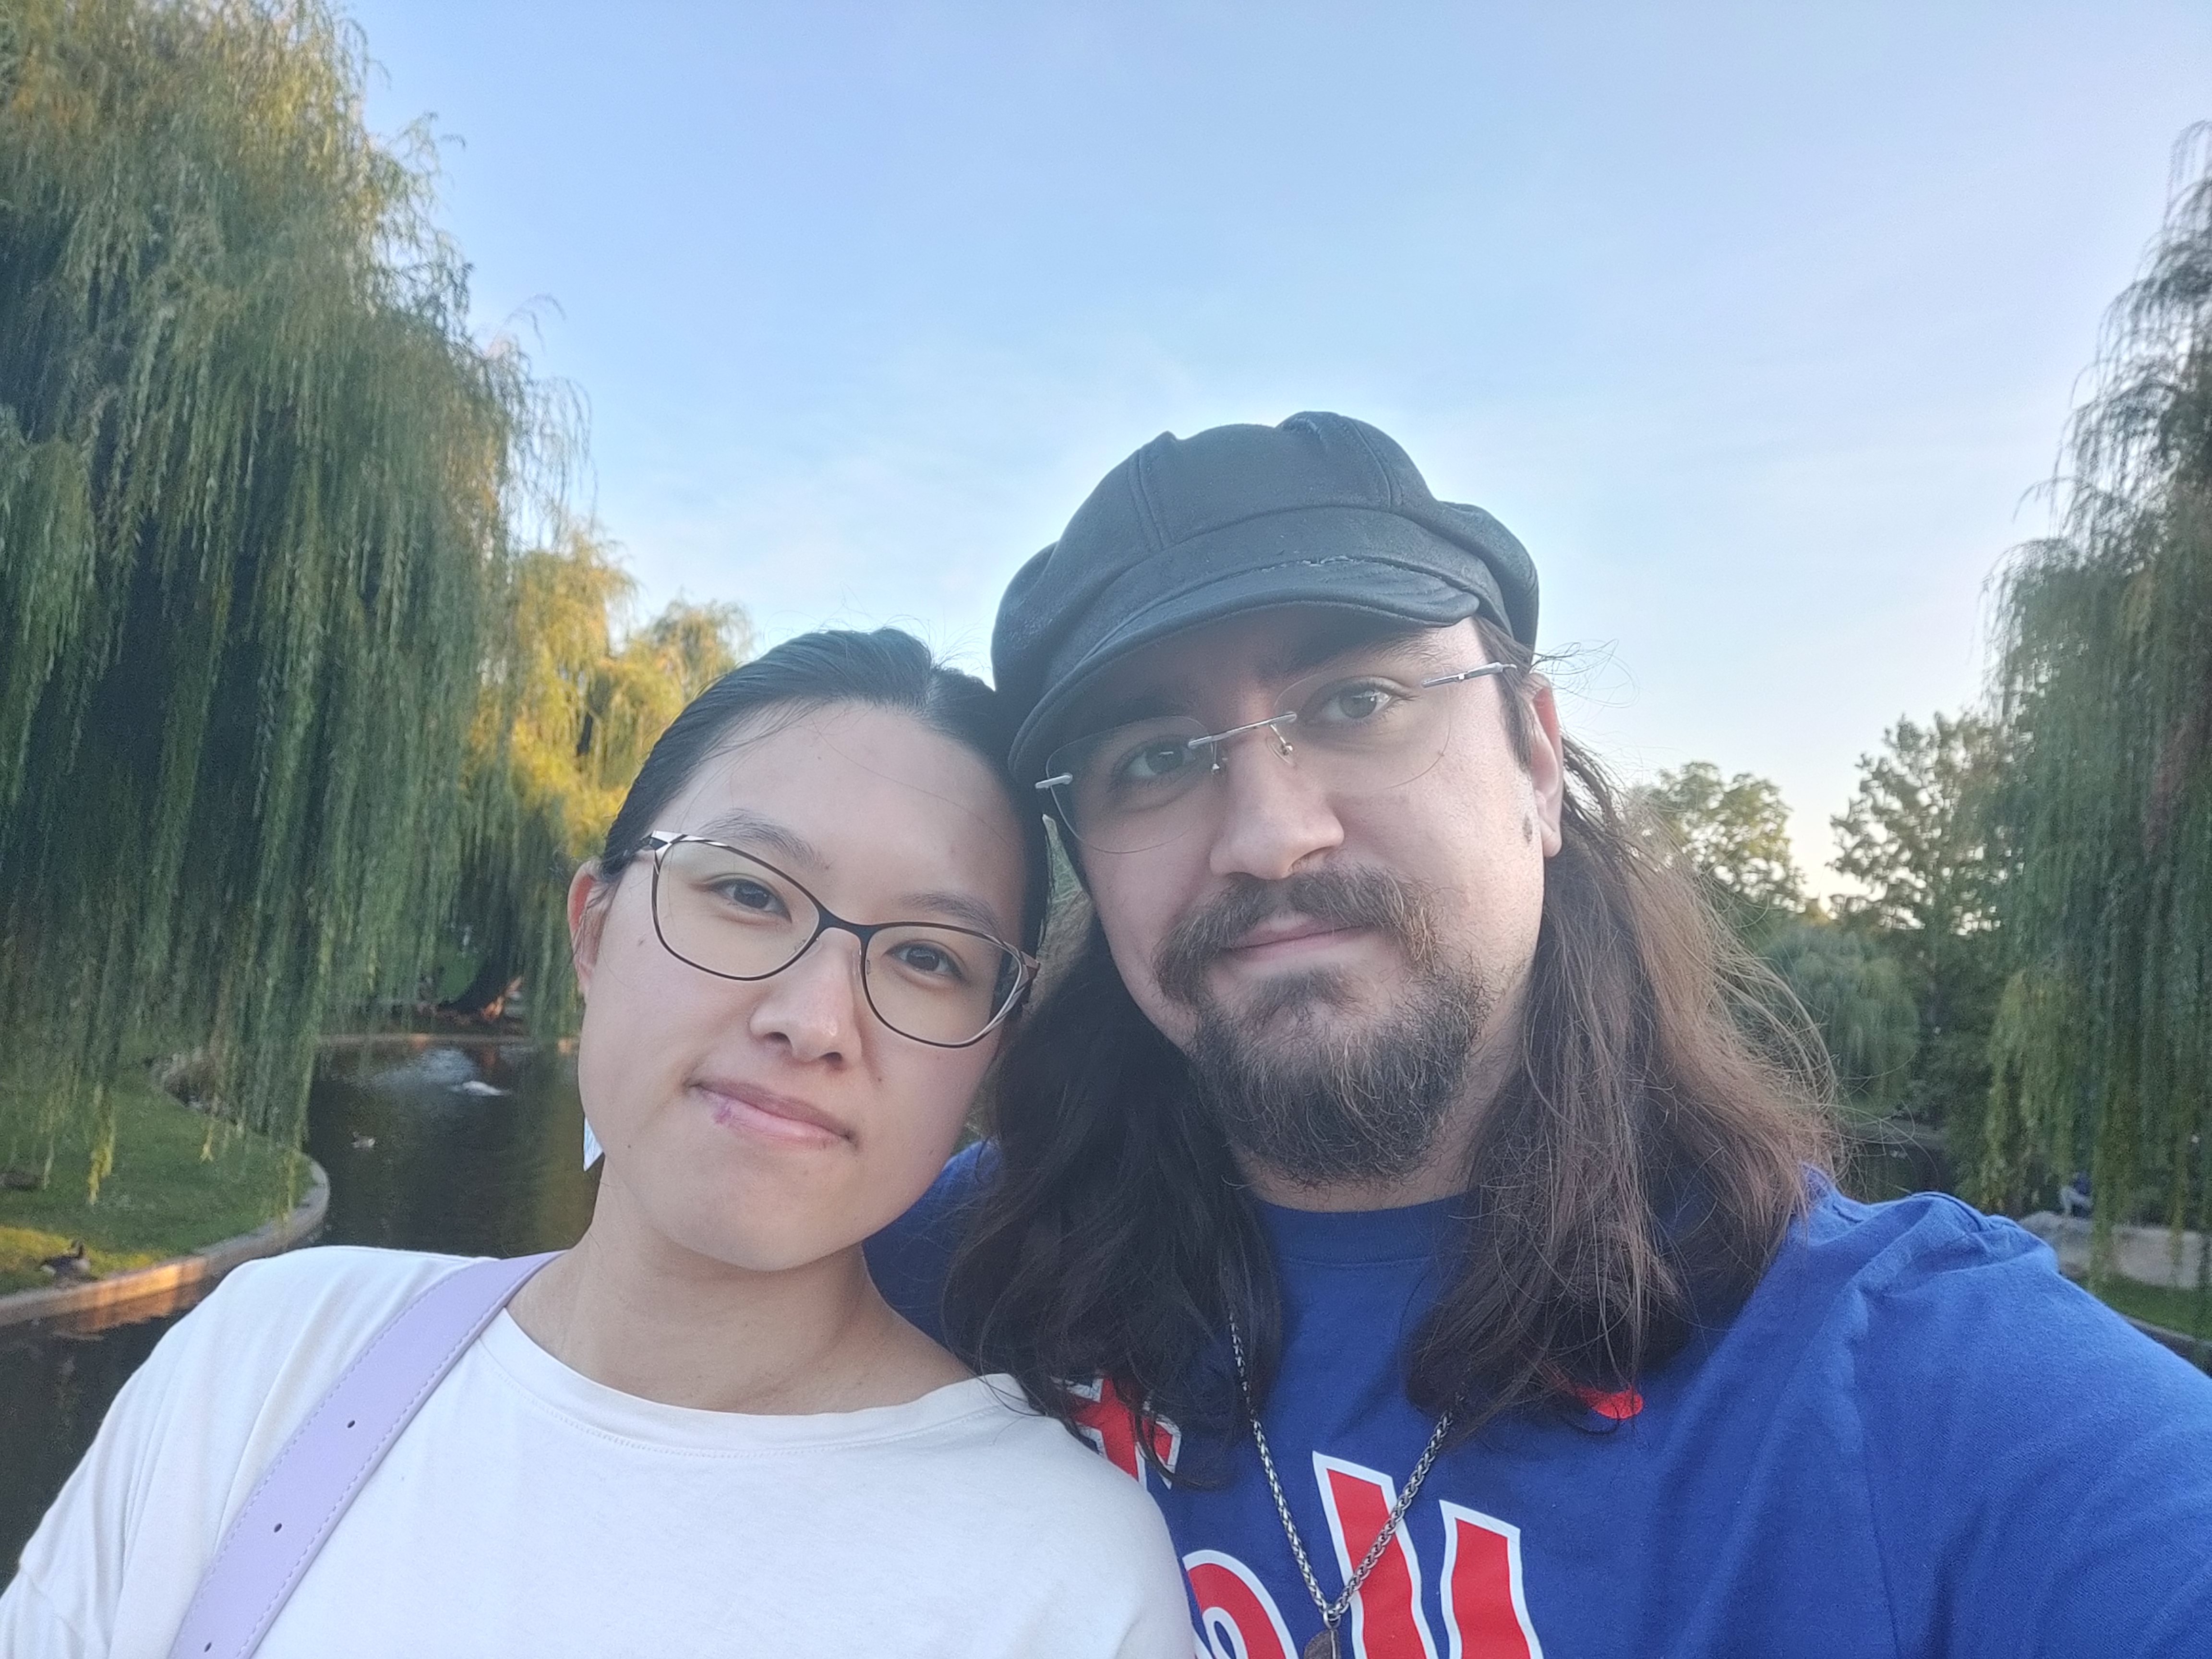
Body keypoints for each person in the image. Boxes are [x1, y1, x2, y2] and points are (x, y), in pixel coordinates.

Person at [869, 413, 2212, 1659]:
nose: (1272, 833)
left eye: (1355, 702)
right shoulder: (927, 1281)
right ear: (1086, 869)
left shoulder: (1913, 1388)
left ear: (1537, 758)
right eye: (1154, 757)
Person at [3, 629, 1190, 1658]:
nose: (815, 1019)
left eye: (930, 958)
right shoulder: (267, 1364)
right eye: (748, 894)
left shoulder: (1067, 1582)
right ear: (593, 928)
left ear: (987, 1049)